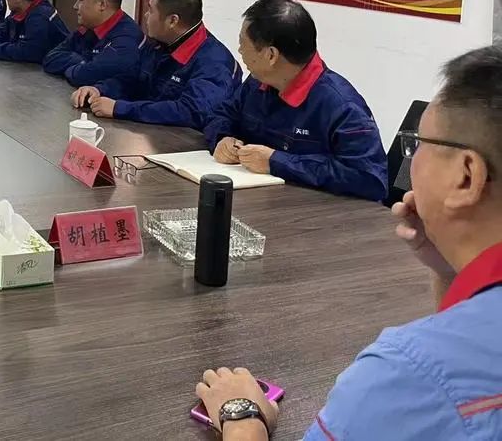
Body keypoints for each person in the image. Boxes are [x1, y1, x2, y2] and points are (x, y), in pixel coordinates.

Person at [194, 45, 502, 441]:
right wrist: (451, 267)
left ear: (466, 175)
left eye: (420, 144)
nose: (414, 158)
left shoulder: (407, 373)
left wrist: (243, 418)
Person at [204, 0, 387, 200]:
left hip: (316, 213)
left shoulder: (341, 106)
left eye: (243, 43)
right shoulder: (258, 82)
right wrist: (222, 138)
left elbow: (370, 180)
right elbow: (221, 114)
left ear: (271, 55)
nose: (239, 51)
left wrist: (276, 162)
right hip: (260, 201)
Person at [71, 0, 241, 130]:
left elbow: (190, 112)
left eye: (151, 10)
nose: (146, 16)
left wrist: (119, 108)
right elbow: (133, 78)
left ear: (172, 21)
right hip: (149, 131)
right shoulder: (160, 43)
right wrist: (99, 89)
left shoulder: (214, 62)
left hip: (186, 144)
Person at [42, 0, 141, 87]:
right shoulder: (88, 27)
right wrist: (83, 61)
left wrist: (78, 66)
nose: (75, 6)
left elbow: (82, 76)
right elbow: (50, 59)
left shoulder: (126, 39)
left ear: (102, 4)